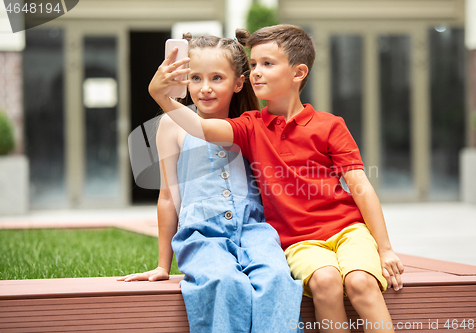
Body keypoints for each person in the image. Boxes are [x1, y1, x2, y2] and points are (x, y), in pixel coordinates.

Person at [149, 24, 405, 333]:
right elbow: (199, 135)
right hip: (284, 240)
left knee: (342, 281)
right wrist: (162, 96)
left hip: (327, 231)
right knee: (307, 281)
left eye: (266, 64)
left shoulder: (321, 125)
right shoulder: (250, 127)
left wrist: (385, 247)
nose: (257, 71)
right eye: (254, 64)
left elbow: (361, 186)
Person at [119, 30, 303, 333]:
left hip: (254, 231)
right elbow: (168, 196)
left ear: (238, 82)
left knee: (277, 280)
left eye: (217, 78)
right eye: (195, 78)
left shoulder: (251, 123)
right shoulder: (171, 124)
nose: (205, 88)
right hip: (202, 235)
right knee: (223, 281)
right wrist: (163, 266)